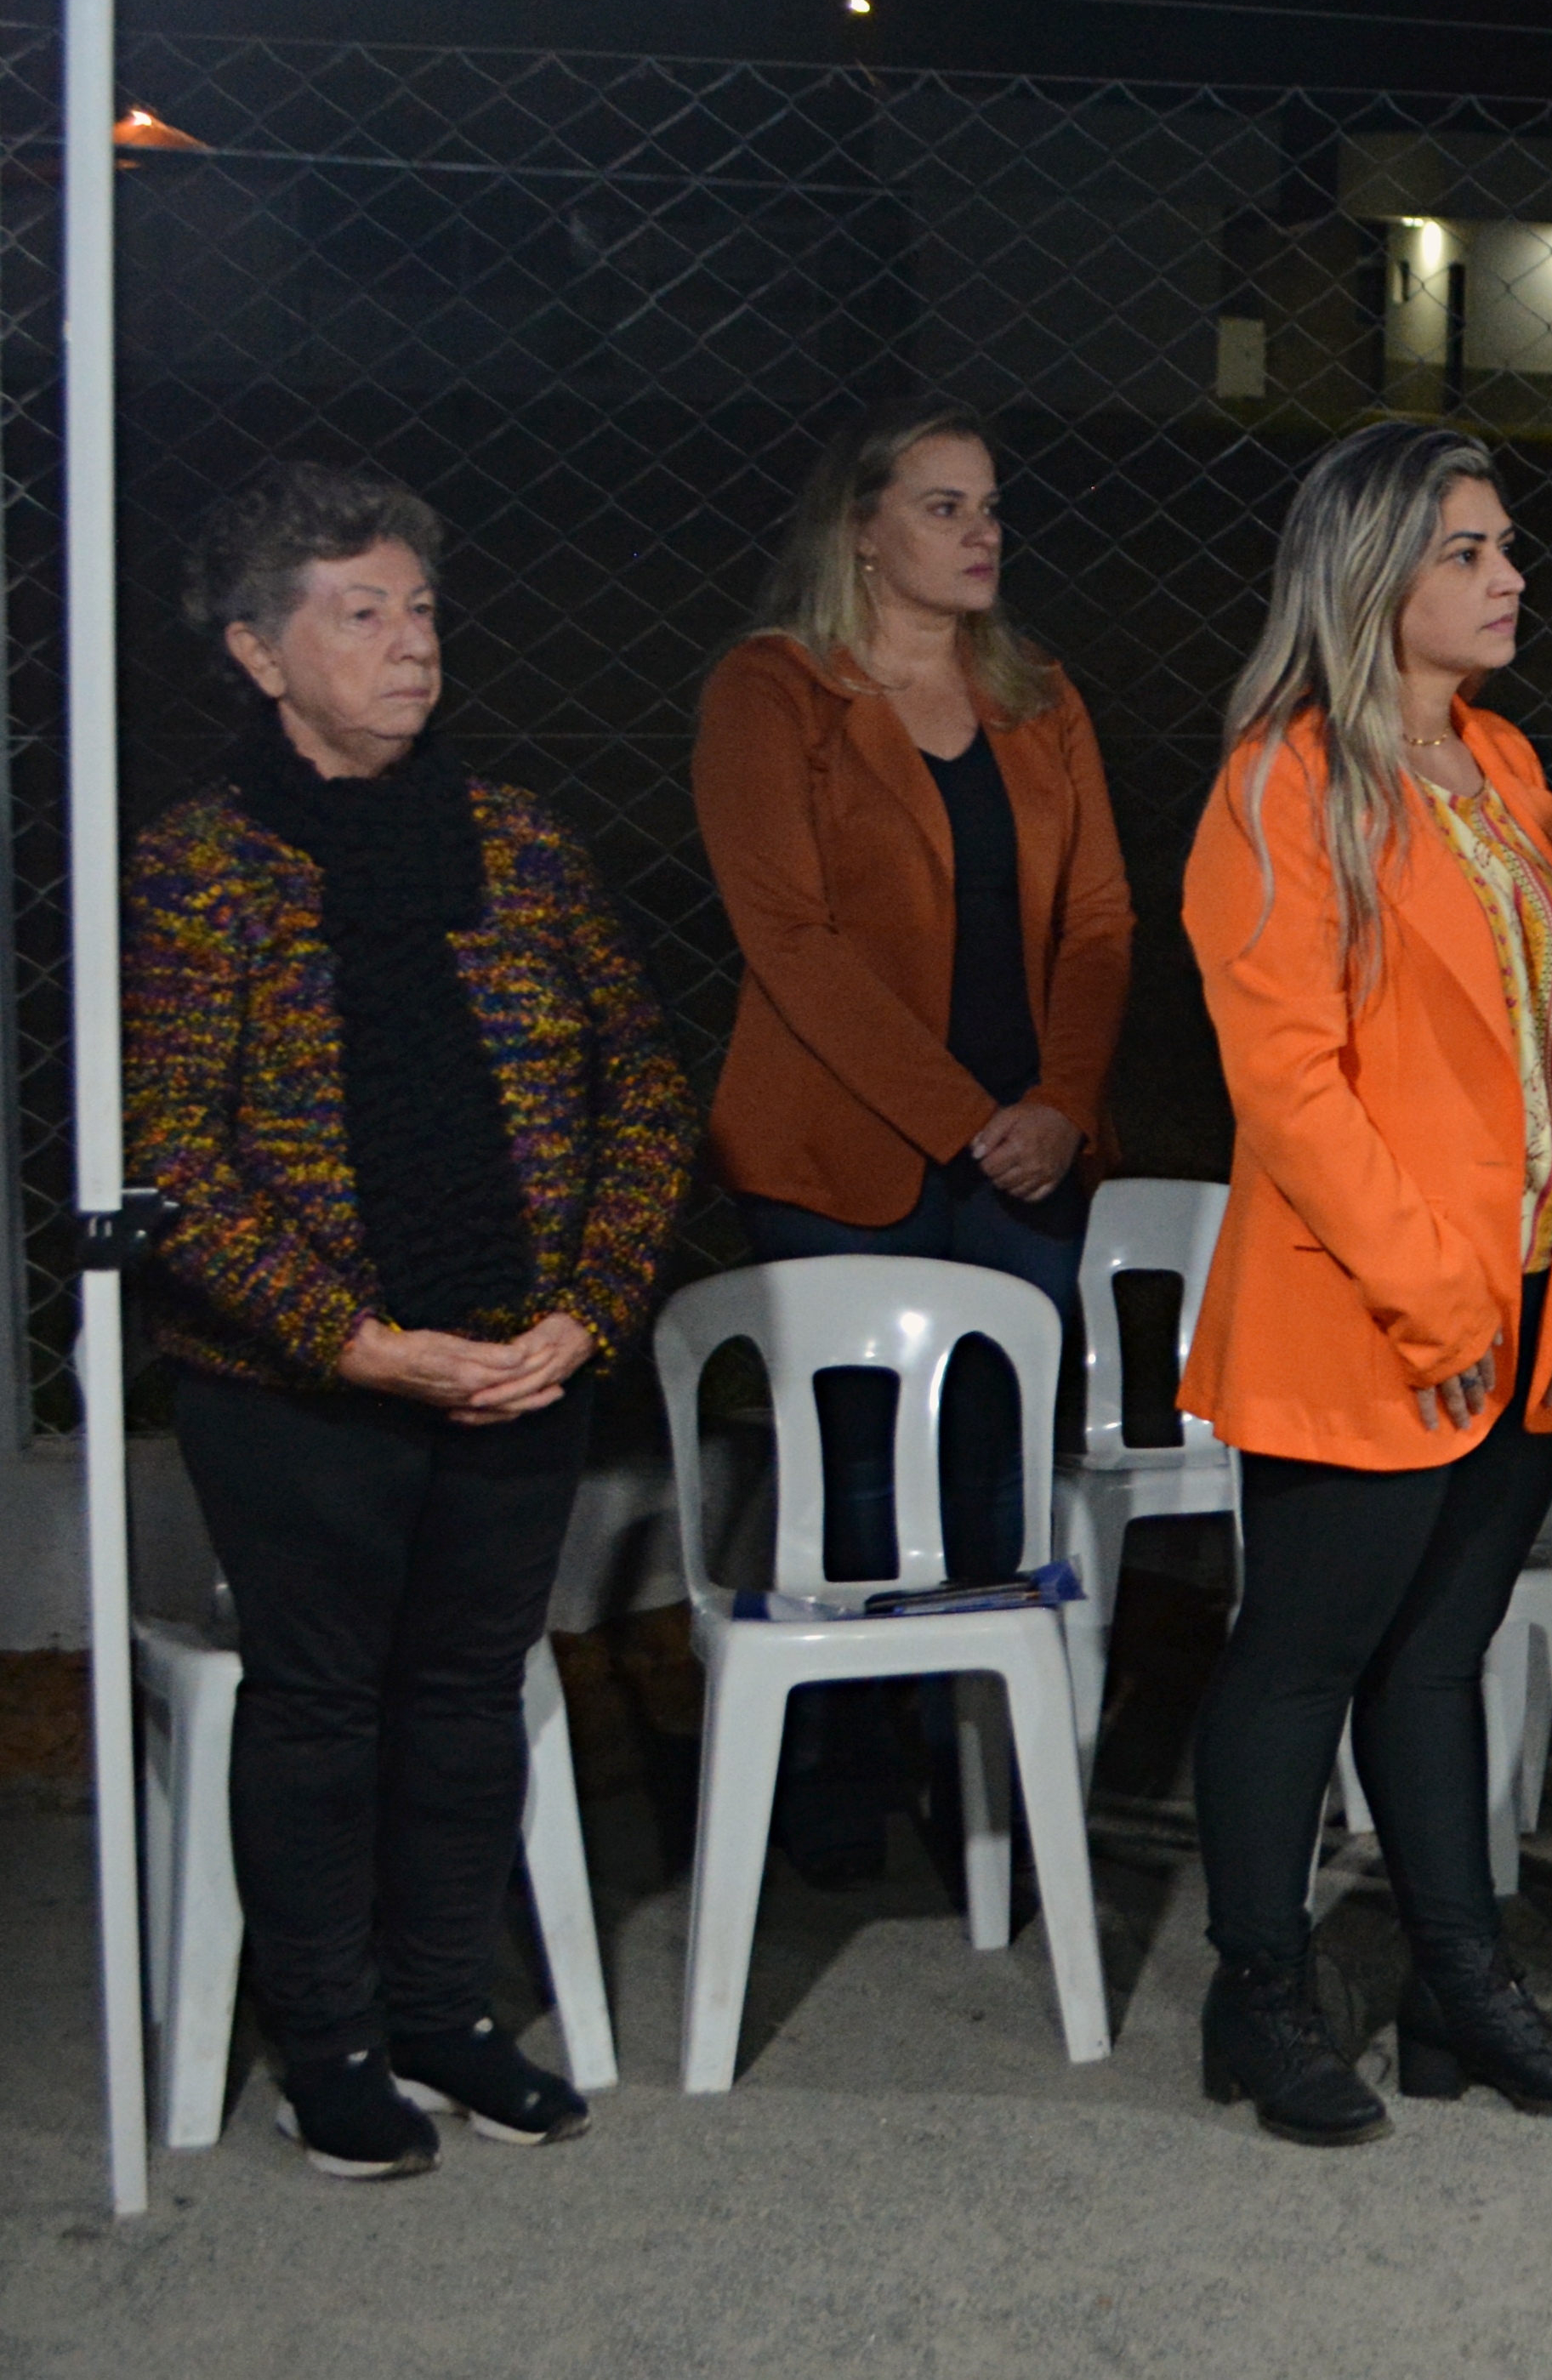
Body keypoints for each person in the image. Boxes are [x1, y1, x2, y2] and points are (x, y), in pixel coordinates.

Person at [127, 462, 695, 2178]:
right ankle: (331, 2043)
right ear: (255, 650)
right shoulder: (198, 871)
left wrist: (584, 1316)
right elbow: (168, 1149)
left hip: (518, 1360)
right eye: (356, 612)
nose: (406, 643)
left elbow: (648, 1091)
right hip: (301, 1384)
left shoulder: (518, 843)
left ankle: (447, 2009)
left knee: (464, 1695)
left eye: (421, 607)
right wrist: (350, 1338)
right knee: (324, 1702)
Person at [1178, 423, 1552, 2143]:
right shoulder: (1282, 781)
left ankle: (1460, 1980)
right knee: (1300, 1659)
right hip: (1370, 1307)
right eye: (1466, 549)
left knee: (1439, 1656)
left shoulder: (1503, 764)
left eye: (1504, 543)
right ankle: (1260, 1989)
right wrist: (1439, 1299)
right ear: (1372, 572)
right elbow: (1285, 1080)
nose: (1508, 573)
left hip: (1519, 1311)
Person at [694, 398, 1134, 1887]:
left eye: (991, 506)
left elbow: (1097, 922)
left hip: (1035, 1147)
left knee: (996, 1475)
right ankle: (847, 1776)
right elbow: (794, 944)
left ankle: (983, 1800)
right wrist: (967, 1120)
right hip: (848, 1152)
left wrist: (1059, 1106)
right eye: (943, 506)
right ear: (862, 529)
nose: (981, 532)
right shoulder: (774, 695)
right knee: (865, 1475)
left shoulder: (1038, 696)